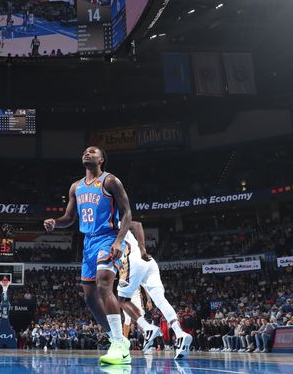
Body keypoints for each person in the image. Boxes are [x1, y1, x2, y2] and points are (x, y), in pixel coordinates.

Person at [44, 146, 133, 365]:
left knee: (104, 286)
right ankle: (116, 338)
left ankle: (120, 345)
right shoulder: (76, 186)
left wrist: (119, 240)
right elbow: (69, 217)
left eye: (93, 152)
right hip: (88, 242)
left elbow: (127, 213)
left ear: (102, 159)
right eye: (85, 151)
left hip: (107, 237)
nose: (87, 153)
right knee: (90, 297)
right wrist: (56, 223)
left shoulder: (110, 181)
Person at [117, 221, 192, 359]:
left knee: (121, 300)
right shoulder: (119, 222)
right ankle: (180, 334)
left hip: (133, 262)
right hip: (148, 260)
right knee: (161, 300)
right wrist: (142, 248)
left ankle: (146, 328)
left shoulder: (105, 227)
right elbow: (138, 225)